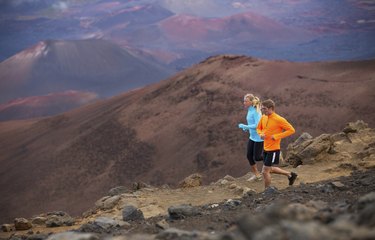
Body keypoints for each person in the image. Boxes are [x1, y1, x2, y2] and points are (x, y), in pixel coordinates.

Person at [256, 99, 297, 189]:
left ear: (271, 108)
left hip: (274, 149)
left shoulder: (279, 119)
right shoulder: (264, 117)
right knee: (269, 169)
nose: (263, 111)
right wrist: (260, 134)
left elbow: (291, 130)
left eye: (264, 109)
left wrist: (277, 136)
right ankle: (290, 174)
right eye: (262, 109)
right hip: (266, 148)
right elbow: (258, 128)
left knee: (265, 171)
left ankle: (267, 191)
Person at [238, 93, 264, 182]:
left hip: (259, 137)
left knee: (257, 157)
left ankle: (271, 156)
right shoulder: (249, 110)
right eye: (244, 101)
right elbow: (251, 123)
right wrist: (246, 128)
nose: (244, 103)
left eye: (246, 101)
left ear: (251, 102)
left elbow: (257, 125)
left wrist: (246, 126)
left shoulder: (256, 111)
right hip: (252, 136)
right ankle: (257, 174)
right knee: (249, 156)